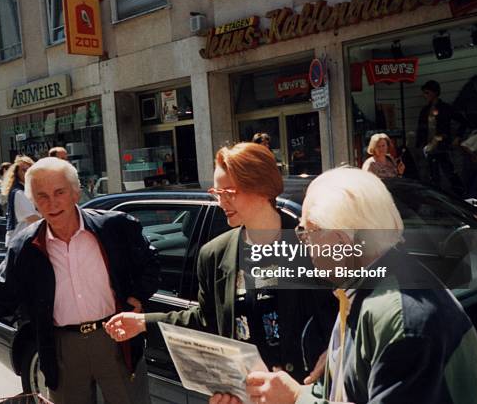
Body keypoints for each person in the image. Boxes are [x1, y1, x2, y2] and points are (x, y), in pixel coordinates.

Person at [213, 167, 477, 404]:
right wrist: (294, 394)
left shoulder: (401, 317)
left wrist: (297, 398)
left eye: (308, 232)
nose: (303, 243)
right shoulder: (362, 291)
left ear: (342, 243)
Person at [0, 157, 160, 404]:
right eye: (42, 196)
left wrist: (138, 296)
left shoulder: (113, 227)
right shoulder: (25, 246)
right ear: (33, 202)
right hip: (61, 349)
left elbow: (150, 263)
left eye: (59, 192)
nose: (52, 203)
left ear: (76, 193)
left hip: (115, 340)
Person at [105, 142, 336, 384]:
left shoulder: (313, 246)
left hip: (307, 389)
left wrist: (333, 353)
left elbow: (347, 310)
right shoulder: (214, 255)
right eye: (217, 193)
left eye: (229, 193)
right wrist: (144, 322)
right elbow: (206, 320)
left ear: (263, 188)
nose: (221, 202)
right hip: (248, 393)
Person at [416, 80, 466, 194]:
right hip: (429, 147)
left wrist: (458, 137)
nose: (425, 96)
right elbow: (421, 129)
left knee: (449, 171)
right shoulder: (424, 110)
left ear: (434, 93)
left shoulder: (445, 108)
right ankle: (438, 197)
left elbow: (463, 121)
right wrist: (419, 146)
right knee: (433, 175)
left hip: (443, 145)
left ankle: (460, 194)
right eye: (424, 93)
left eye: (427, 93)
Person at [1, 155, 40, 247]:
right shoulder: (18, 193)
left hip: (26, 241)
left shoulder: (29, 190)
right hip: (19, 243)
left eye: (29, 170)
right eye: (23, 170)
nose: (27, 173)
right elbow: (32, 218)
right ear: (17, 173)